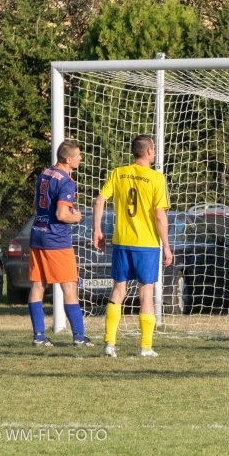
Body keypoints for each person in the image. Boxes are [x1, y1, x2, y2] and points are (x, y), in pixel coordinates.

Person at [93, 135, 173, 357]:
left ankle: (109, 344)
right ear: (148, 151)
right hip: (146, 244)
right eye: (154, 149)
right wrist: (166, 246)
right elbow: (159, 215)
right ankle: (145, 347)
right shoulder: (156, 178)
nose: (154, 152)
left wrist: (97, 230)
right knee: (145, 293)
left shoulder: (118, 173)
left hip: (121, 242)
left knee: (118, 291)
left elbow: (99, 201)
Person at [28, 139, 94, 347]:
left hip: (37, 234)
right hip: (56, 239)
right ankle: (79, 337)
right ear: (68, 159)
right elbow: (62, 214)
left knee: (38, 284)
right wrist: (78, 217)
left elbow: (36, 205)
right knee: (69, 286)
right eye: (78, 155)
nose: (81, 158)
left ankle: (39, 336)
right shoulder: (66, 181)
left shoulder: (45, 173)